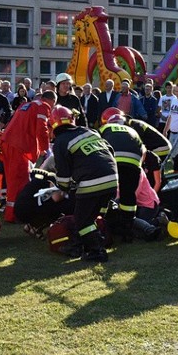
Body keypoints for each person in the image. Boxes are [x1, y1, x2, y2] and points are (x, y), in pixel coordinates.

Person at [51, 105, 117, 262]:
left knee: (82, 220)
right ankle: (78, 245)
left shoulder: (60, 141)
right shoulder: (90, 131)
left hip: (91, 182)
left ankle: (97, 251)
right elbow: (110, 151)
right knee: (89, 215)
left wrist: (61, 187)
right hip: (112, 179)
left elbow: (63, 176)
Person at [0, 91, 55, 222]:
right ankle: (13, 214)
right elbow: (42, 129)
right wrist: (45, 149)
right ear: (51, 101)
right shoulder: (43, 106)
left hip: (8, 143)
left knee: (13, 180)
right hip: (19, 146)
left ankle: (12, 211)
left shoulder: (26, 105)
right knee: (20, 181)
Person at [99, 111, 147, 239]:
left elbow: (97, 146)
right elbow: (143, 150)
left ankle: (103, 225)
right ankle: (128, 230)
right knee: (129, 196)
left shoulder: (104, 128)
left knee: (106, 193)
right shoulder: (133, 131)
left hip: (113, 163)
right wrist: (139, 166)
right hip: (133, 164)